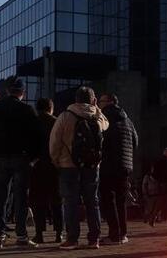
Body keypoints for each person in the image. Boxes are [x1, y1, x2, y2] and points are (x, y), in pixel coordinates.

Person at [0, 78, 40, 247]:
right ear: (22, 93)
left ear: (7, 91)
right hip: (21, 157)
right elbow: (37, 136)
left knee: (0, 197)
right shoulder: (27, 110)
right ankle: (21, 236)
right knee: (21, 197)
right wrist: (33, 157)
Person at [50, 85, 109, 249]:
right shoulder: (97, 118)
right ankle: (93, 238)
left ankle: (72, 238)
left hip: (68, 165)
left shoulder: (65, 116)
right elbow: (106, 124)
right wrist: (96, 107)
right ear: (93, 99)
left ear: (75, 99)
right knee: (92, 201)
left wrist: (56, 160)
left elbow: (54, 142)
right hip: (92, 165)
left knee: (70, 201)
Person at [98, 93, 138, 244]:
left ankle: (114, 234)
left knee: (108, 199)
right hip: (125, 165)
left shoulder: (105, 118)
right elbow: (135, 141)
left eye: (101, 101)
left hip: (109, 164)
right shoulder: (128, 120)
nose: (99, 104)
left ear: (108, 102)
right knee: (121, 201)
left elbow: (101, 140)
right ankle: (123, 234)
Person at [29, 97, 63, 244]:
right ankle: (59, 233)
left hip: (37, 166)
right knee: (57, 200)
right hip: (55, 165)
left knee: (38, 201)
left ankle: (39, 233)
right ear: (51, 108)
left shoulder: (32, 123)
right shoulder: (57, 122)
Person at [152, 148, 167, 226]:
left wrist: (159, 181)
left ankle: (152, 218)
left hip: (160, 184)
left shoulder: (158, 162)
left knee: (160, 202)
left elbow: (154, 174)